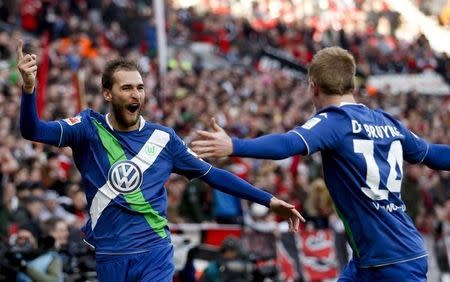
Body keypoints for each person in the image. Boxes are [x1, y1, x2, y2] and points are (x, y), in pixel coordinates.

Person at [16, 39, 303, 282]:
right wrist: (29, 90)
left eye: (139, 88)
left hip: (155, 251)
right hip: (110, 255)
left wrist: (268, 200)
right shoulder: (87, 128)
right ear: (107, 93)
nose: (136, 94)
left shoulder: (164, 139)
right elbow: (33, 130)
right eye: (127, 88)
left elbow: (213, 175)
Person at [191, 46, 450, 281]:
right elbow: (433, 155)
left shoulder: (334, 121)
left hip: (391, 261)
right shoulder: (386, 121)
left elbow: (287, 145)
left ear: (313, 86)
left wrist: (235, 145)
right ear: (352, 83)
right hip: (375, 258)